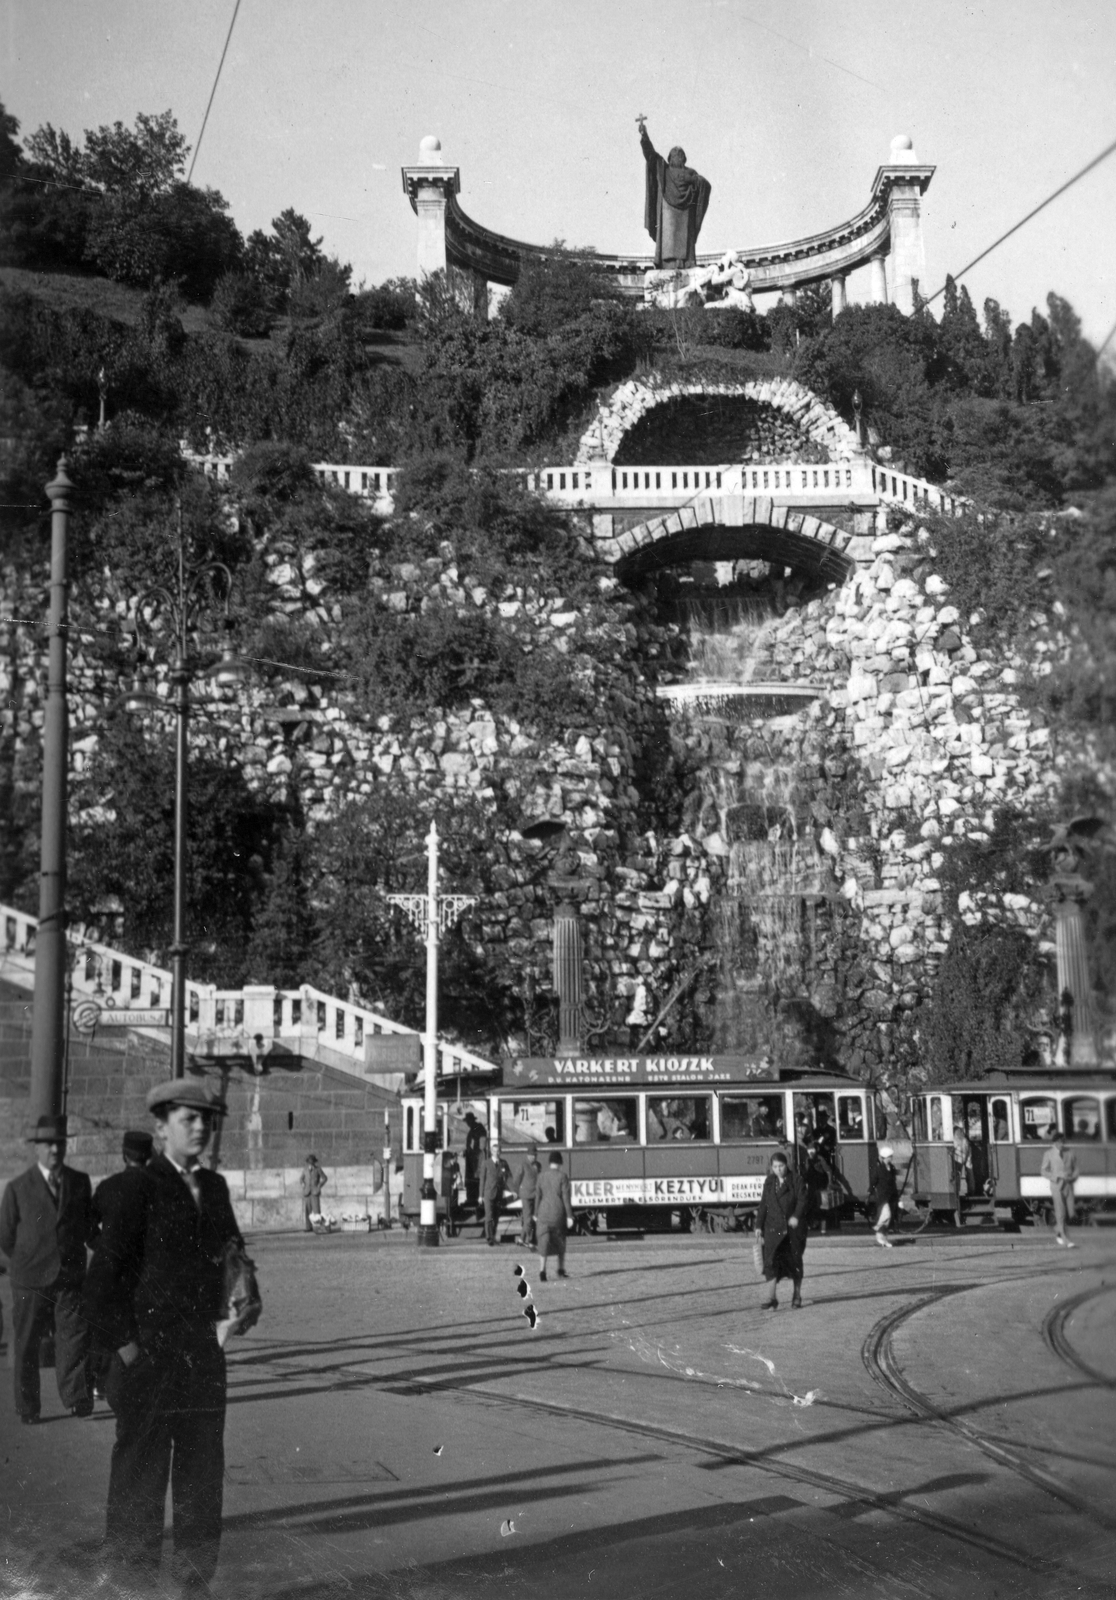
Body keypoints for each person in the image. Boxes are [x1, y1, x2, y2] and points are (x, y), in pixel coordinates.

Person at [83, 1078, 246, 1591]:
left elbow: (233, 1253)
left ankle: (195, 1582)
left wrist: (242, 1296)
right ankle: (133, 1585)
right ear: (160, 1127)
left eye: (205, 1119)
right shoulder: (137, 1188)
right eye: (187, 1119)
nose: (199, 1127)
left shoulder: (215, 1188)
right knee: (140, 1479)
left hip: (202, 1357)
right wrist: (131, 1350)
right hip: (149, 1359)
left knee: (201, 1477)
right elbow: (100, 1285)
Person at [0, 1113, 94, 1424]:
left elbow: (86, 1226)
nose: (56, 1150)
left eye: (60, 1144)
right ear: (37, 1148)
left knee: (74, 1336)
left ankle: (77, 1397)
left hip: (68, 1275)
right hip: (29, 1278)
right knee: (27, 1343)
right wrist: (27, 1259)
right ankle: (28, 1407)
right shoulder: (17, 1188)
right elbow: (5, 1236)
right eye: (49, 1145)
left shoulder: (80, 1182)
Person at [89, 1131, 154, 1399]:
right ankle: (124, 1386)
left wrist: (102, 1245)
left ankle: (98, 1383)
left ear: (124, 1155)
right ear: (149, 1157)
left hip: (105, 1271)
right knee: (134, 1331)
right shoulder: (157, 1188)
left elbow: (86, 1223)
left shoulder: (108, 1186)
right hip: (140, 1274)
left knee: (107, 1327)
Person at [639, 118, 711, 268]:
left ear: (683, 159)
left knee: (684, 238)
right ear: (670, 158)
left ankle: (685, 262)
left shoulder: (691, 173)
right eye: (674, 154)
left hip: (686, 214)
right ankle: (667, 263)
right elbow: (650, 155)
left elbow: (704, 184)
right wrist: (644, 137)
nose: (677, 156)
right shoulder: (663, 170)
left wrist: (694, 181)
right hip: (668, 212)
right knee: (668, 238)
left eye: (679, 155)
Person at [754, 1150, 808, 1310]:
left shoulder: (796, 1180)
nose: (778, 1169)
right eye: (775, 1166)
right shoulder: (770, 1182)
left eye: (781, 1166)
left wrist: (796, 1216)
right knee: (770, 1262)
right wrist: (758, 1226)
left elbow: (802, 1200)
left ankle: (797, 1295)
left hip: (792, 1230)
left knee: (795, 1262)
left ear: (787, 1165)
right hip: (773, 1228)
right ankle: (772, 1297)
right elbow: (764, 1204)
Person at [535, 1152, 574, 1283]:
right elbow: (566, 1199)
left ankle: (542, 1271)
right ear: (560, 1163)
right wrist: (569, 1216)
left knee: (543, 1242)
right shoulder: (562, 1176)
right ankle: (560, 1270)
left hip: (543, 1213)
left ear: (549, 1162)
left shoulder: (541, 1176)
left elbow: (537, 1197)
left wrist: (535, 1213)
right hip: (558, 1213)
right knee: (560, 1242)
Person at [1040, 1128, 1078, 1248]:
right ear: (1055, 1143)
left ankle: (1058, 1231)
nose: (1062, 1144)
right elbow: (1043, 1170)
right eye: (1060, 1142)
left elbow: (1076, 1168)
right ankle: (1066, 1239)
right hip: (1056, 1185)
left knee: (1071, 1212)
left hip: (1069, 1185)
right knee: (1060, 1212)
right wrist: (1055, 1177)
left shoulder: (1070, 1153)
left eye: (1063, 1142)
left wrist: (1073, 1177)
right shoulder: (1048, 1154)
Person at [512, 1143, 542, 1249]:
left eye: (535, 1155)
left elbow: (540, 1179)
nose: (534, 1157)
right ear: (528, 1155)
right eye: (532, 1155)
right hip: (526, 1195)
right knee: (528, 1219)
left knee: (533, 1219)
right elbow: (517, 1179)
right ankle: (529, 1240)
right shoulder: (523, 1165)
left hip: (536, 1195)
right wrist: (515, 1191)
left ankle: (522, 1239)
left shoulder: (538, 1165)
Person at [872, 1146, 900, 1248]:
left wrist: (897, 1196)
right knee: (886, 1214)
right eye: (890, 1157)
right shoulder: (879, 1169)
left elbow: (893, 1182)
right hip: (882, 1196)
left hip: (891, 1195)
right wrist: (869, 1193)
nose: (891, 1158)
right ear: (885, 1157)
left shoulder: (891, 1168)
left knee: (889, 1218)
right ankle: (878, 1228)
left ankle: (882, 1238)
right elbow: (874, 1182)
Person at [477, 1139, 504, 1246]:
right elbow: (482, 1180)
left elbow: (507, 1177)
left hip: (498, 1194)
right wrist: (480, 1195)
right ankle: (489, 1237)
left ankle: (493, 1235)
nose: (496, 1153)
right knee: (489, 1216)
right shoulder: (486, 1163)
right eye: (494, 1151)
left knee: (496, 1217)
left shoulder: (502, 1163)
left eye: (498, 1151)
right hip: (488, 1193)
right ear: (491, 1152)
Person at [299, 1153, 328, 1232]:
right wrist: (302, 1184)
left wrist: (319, 1185)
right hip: (307, 1192)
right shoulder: (305, 1170)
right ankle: (308, 1227)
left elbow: (325, 1178)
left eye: (312, 1162)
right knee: (307, 1210)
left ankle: (317, 1227)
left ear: (314, 1162)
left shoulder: (318, 1169)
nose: (311, 1164)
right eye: (309, 1162)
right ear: (307, 1162)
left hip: (315, 1192)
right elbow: (301, 1179)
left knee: (316, 1210)